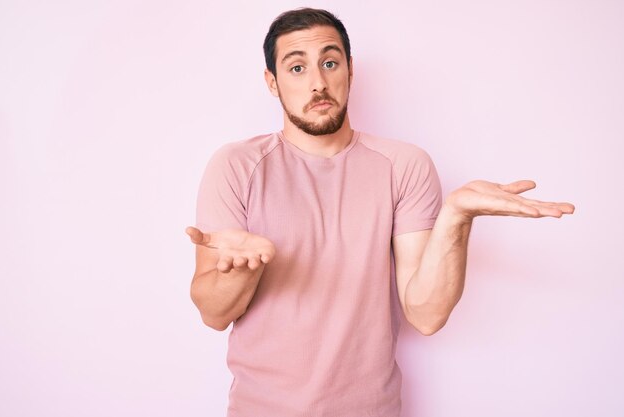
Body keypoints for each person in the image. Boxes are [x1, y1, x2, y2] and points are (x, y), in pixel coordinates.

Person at [185, 7, 574, 417]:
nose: (318, 82)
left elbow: (426, 314)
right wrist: (241, 271)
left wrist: (457, 218)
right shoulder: (236, 165)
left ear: (350, 71)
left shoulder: (404, 165)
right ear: (272, 82)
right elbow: (213, 313)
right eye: (297, 68)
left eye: (330, 63)